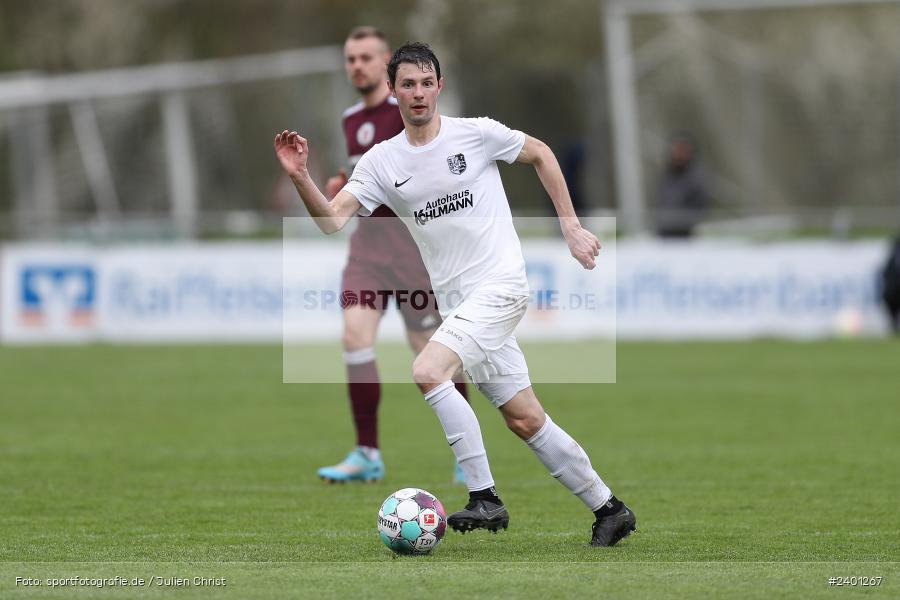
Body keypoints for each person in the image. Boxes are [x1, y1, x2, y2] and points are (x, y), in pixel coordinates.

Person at [275, 42, 636, 547]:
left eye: (426, 83)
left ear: (439, 86)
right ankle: (610, 509)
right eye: (408, 84)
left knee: (427, 370)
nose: (418, 93)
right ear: (394, 90)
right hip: (460, 304)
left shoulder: (477, 134)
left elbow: (541, 154)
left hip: (501, 287)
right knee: (524, 418)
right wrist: (301, 178)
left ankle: (484, 496)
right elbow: (333, 219)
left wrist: (571, 226)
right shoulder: (382, 161)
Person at [315, 27, 469, 485]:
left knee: (430, 354)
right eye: (350, 58)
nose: (356, 65)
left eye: (365, 57)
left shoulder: (408, 110)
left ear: (387, 67)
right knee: (354, 336)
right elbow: (365, 180)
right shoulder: (349, 119)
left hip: (413, 256)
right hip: (367, 252)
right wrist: (340, 189)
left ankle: (466, 451)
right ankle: (367, 453)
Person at [655, 133, 709, 238]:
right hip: (664, 235)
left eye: (682, 149)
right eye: (676, 149)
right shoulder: (666, 175)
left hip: (687, 236)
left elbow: (700, 208)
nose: (679, 153)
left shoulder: (697, 177)